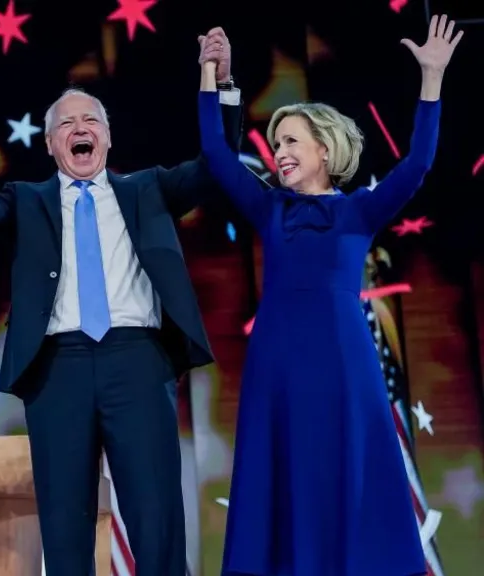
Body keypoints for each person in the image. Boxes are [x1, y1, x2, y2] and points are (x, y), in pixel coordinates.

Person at [0, 29, 242, 576]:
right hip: (57, 367)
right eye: (65, 124)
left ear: (109, 138)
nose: (79, 129)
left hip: (137, 360)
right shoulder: (26, 202)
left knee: (157, 515)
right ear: (49, 144)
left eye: (90, 120)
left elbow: (217, 164)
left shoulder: (149, 188)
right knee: (66, 524)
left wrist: (221, 83)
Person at [197, 15, 461, 576]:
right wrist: (209, 76)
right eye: (275, 143)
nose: (279, 152)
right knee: (282, 465)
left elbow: (417, 164)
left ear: (324, 149)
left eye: (290, 140)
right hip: (278, 361)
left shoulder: (358, 211)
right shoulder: (269, 209)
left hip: (344, 360)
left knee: (349, 463)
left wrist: (431, 79)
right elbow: (216, 155)